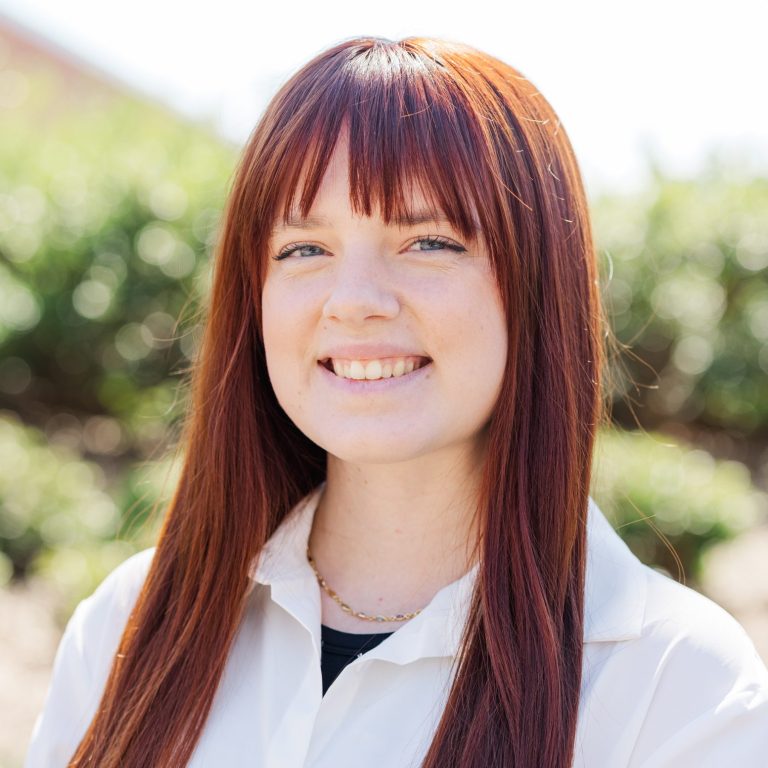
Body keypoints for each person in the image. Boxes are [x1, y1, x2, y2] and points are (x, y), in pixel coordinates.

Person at [25, 36, 768, 768]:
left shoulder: (678, 689)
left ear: (540, 282)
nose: (353, 301)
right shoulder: (129, 627)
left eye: (429, 241)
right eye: (303, 249)